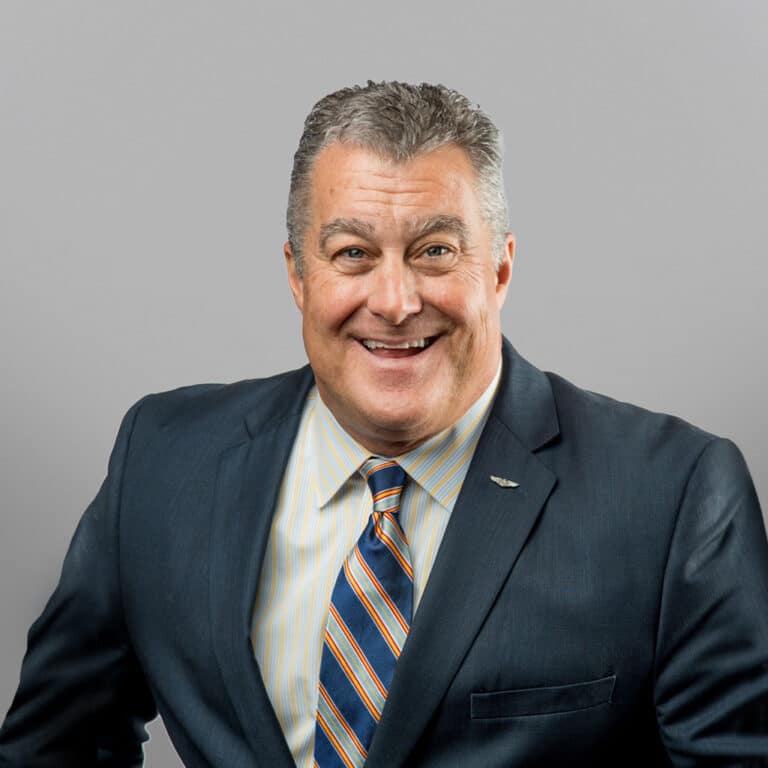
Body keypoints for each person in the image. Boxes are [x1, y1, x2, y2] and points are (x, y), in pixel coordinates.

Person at [1, 81, 766, 768]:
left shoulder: (674, 499)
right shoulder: (164, 462)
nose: (396, 301)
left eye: (435, 251)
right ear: (298, 275)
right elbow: (55, 745)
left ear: (499, 270)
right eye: (353, 253)